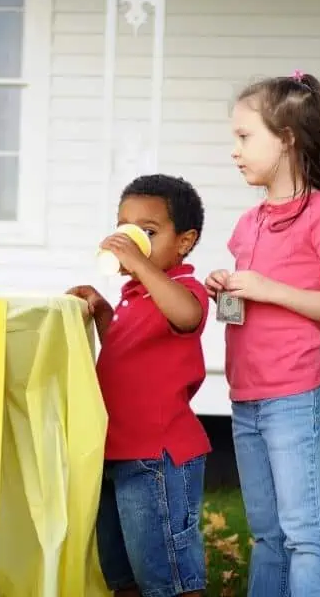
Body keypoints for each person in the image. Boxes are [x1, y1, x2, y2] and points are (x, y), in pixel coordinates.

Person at [204, 71, 320, 597]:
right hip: (246, 395)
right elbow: (250, 308)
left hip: (295, 395)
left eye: (245, 137)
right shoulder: (248, 223)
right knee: (266, 535)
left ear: (288, 138)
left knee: (304, 534)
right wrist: (227, 292)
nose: (235, 150)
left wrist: (269, 288)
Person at [68, 174, 210, 597]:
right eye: (124, 228)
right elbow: (128, 350)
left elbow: (186, 316)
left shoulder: (184, 288)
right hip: (116, 451)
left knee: (166, 574)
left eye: (147, 232)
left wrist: (142, 265)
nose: (132, 240)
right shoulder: (135, 295)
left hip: (157, 456)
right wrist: (102, 309)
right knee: (122, 572)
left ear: (184, 242)